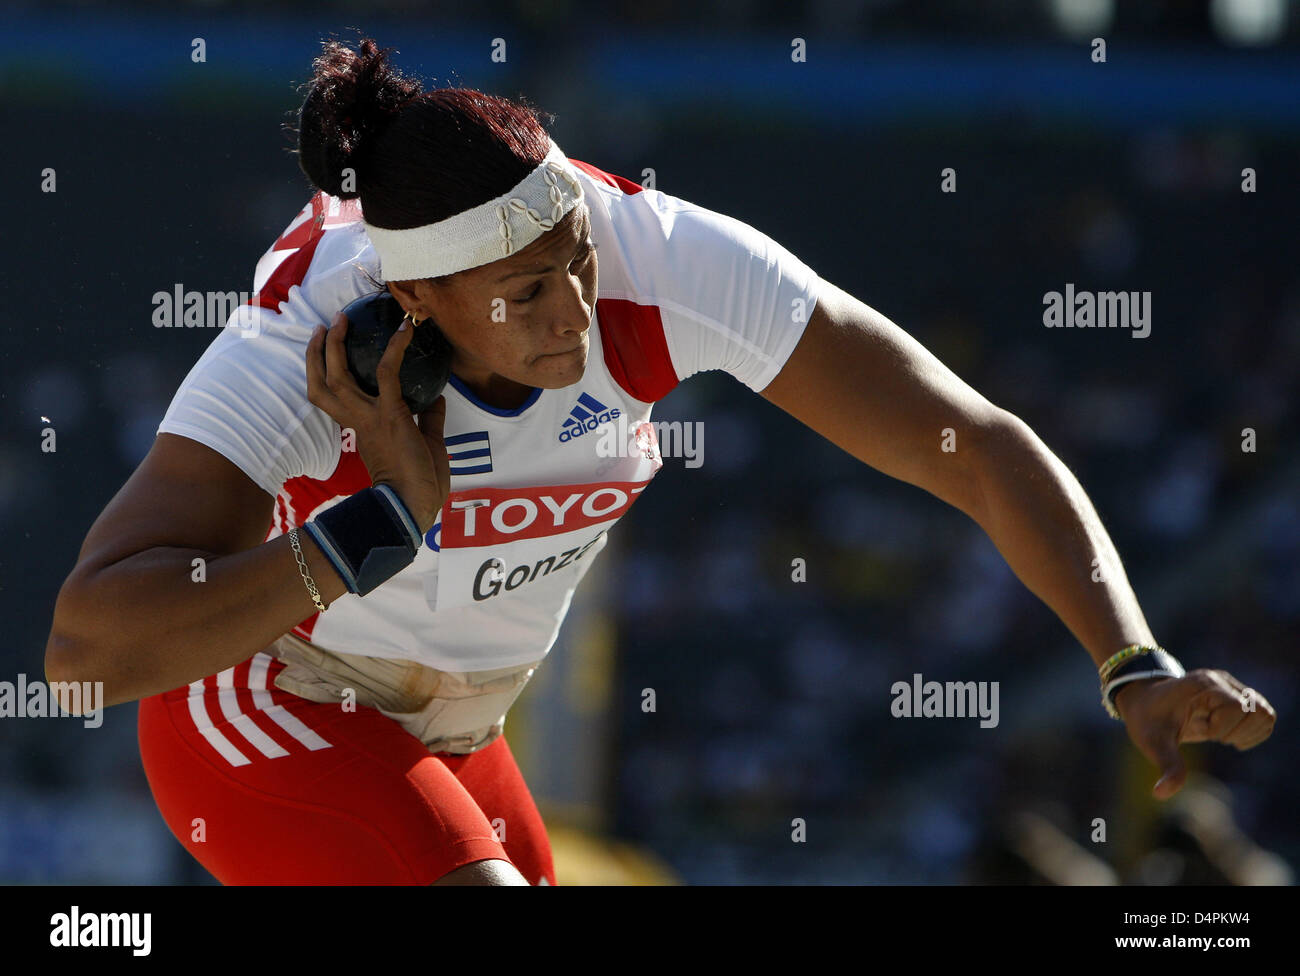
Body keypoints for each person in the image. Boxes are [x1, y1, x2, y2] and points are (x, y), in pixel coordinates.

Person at [43, 38, 1276, 886]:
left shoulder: (664, 256)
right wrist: (369, 530)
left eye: (576, 257)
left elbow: (977, 447)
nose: (575, 314)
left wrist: (1134, 662)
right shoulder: (306, 331)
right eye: (523, 296)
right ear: (415, 299)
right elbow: (87, 650)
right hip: (272, 706)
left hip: (461, 732)